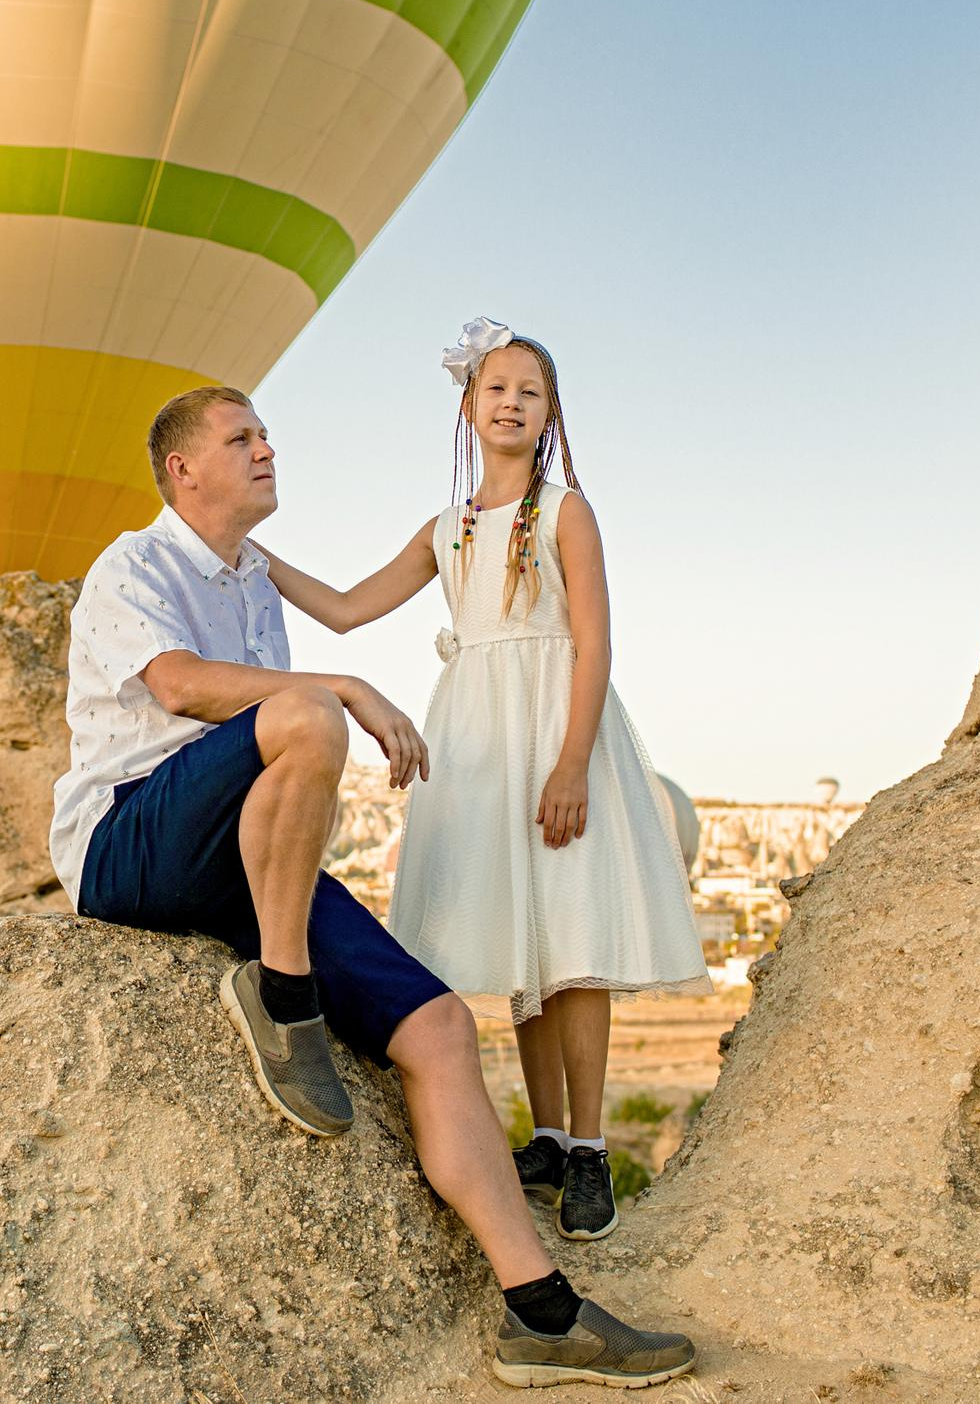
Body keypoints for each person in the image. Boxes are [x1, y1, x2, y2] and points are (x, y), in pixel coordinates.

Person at [50, 383, 696, 1388]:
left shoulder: (252, 586)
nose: (267, 448)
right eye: (241, 438)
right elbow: (177, 687)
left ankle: (537, 1310)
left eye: (265, 432)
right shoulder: (134, 563)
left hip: (236, 862)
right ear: (182, 470)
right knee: (310, 715)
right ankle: (284, 995)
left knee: (437, 1026)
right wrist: (342, 685)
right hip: (129, 842)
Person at [259, 318, 710, 1249]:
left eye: (529, 392)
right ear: (468, 405)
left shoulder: (566, 513)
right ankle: (542, 1137)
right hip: (478, 737)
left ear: (549, 416)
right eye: (495, 387)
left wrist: (574, 760)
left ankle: (588, 1149)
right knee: (520, 938)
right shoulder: (448, 529)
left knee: (574, 937)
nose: (510, 402)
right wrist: (248, 556)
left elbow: (594, 640)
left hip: (553, 727)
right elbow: (348, 609)